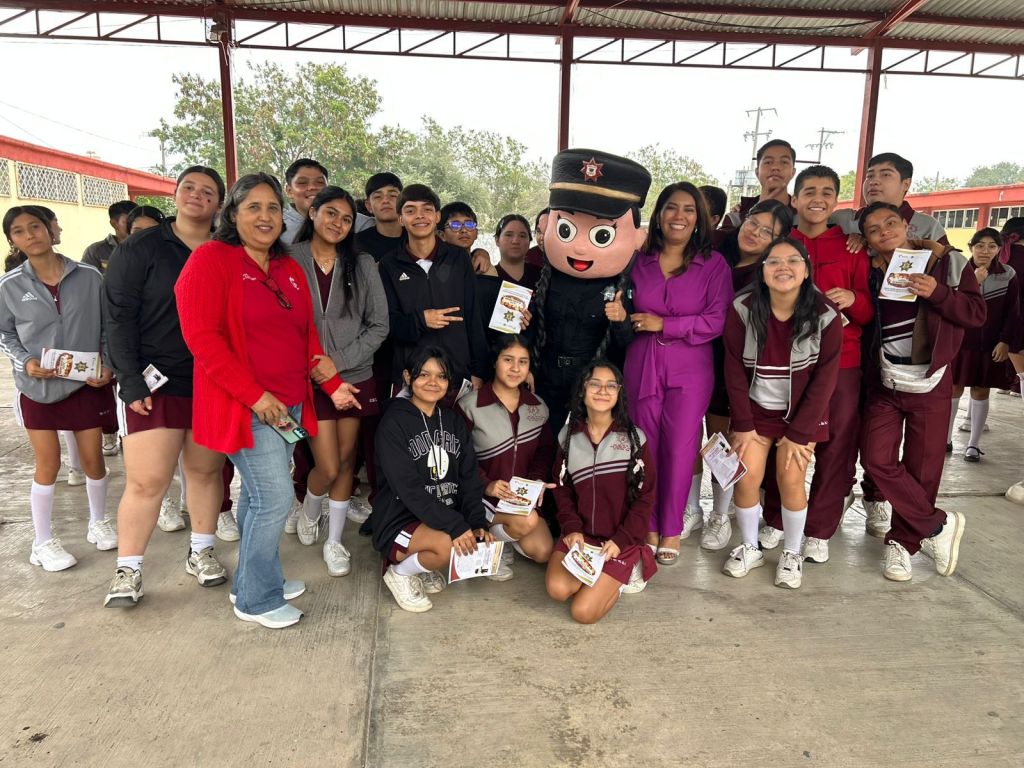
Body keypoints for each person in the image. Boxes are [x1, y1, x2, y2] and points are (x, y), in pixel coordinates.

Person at [175, 172, 359, 629]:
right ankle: (256, 599)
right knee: (275, 499)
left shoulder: (286, 266)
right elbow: (203, 339)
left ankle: (255, 579)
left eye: (273, 208)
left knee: (259, 497)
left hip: (289, 404)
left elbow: (305, 334)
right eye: (253, 207)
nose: (265, 216)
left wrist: (331, 383)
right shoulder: (211, 259)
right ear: (232, 213)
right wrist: (255, 396)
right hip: (249, 407)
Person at [101, 166, 232, 607]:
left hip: (211, 382)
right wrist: (129, 378)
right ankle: (128, 569)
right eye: (188, 188)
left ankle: (202, 552)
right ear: (175, 195)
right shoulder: (141, 248)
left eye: (208, 191)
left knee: (205, 472)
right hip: (153, 383)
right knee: (147, 481)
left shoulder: (227, 249)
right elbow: (117, 318)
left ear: (219, 203)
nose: (197, 195)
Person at [858, 201, 982, 582]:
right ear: (866, 240)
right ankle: (936, 525)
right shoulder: (869, 269)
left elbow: (976, 313)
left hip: (930, 379)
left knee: (923, 468)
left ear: (906, 224)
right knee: (875, 458)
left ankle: (902, 543)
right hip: (886, 380)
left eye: (890, 223)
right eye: (873, 229)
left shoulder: (947, 262)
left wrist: (938, 292)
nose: (884, 232)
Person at [608, 182, 732, 565]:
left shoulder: (713, 265)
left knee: (680, 449)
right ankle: (648, 523)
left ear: (699, 219)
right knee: (645, 446)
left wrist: (665, 324)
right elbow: (620, 303)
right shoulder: (637, 261)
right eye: (671, 208)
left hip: (690, 367)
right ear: (659, 215)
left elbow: (716, 320)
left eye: (688, 209)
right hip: (642, 362)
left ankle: (672, 528)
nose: (679, 216)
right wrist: (621, 316)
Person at [757, 166, 873, 565]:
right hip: (787, 363)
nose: (817, 199)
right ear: (795, 199)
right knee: (782, 438)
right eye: (809, 191)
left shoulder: (851, 247)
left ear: (837, 201)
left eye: (826, 192)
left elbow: (868, 311)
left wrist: (853, 300)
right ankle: (776, 516)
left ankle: (820, 528)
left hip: (843, 361)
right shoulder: (781, 245)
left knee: (836, 445)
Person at [721, 237, 842, 589]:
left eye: (792, 261)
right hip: (755, 412)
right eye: (773, 261)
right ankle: (750, 546)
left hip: (800, 415)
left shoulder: (826, 315)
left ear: (806, 271)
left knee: (790, 479)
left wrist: (799, 434)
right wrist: (743, 424)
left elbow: (825, 379)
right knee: (745, 478)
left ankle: (791, 552)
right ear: (762, 271)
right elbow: (733, 367)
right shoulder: (743, 307)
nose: (782, 267)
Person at [0, 205, 115, 571]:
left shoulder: (90, 276)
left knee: (93, 459)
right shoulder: (10, 285)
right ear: (12, 241)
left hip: (85, 384)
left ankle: (98, 522)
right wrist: (26, 362)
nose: (30, 235)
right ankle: (42, 541)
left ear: (51, 229)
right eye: (19, 231)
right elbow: (5, 334)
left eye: (35, 226)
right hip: (37, 388)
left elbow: (107, 326)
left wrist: (107, 364)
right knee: (48, 463)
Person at [290, 186, 388, 575]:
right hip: (307, 378)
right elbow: (280, 323)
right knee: (327, 465)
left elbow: (379, 325)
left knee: (347, 461)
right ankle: (310, 508)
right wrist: (317, 366)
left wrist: (338, 362)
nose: (338, 223)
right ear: (312, 212)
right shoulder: (289, 259)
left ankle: (334, 541)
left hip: (354, 375)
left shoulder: (361, 264)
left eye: (347, 219)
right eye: (331, 213)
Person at [530, 149, 651, 434]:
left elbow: (626, 343)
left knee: (588, 443)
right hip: (546, 375)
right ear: (546, 226)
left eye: (601, 235)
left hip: (594, 381)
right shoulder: (543, 275)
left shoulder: (624, 284)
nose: (581, 247)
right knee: (543, 440)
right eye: (567, 230)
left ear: (637, 238)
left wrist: (621, 319)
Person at [699, 199, 793, 551]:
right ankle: (697, 507)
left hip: (738, 364)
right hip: (698, 355)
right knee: (706, 437)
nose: (755, 233)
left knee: (727, 441)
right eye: (753, 223)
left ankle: (720, 513)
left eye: (767, 232)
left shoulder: (767, 275)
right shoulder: (715, 252)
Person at [371, 346, 492, 613]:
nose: (433, 382)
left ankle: (421, 564)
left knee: (466, 541)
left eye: (441, 376)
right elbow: (408, 488)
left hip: (439, 514)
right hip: (399, 517)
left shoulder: (453, 421)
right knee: (447, 546)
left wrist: (476, 522)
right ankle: (399, 573)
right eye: (423, 374)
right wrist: (456, 526)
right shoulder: (393, 423)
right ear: (408, 377)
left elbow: (469, 476)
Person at [546, 361, 656, 623]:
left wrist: (621, 540)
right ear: (582, 390)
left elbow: (645, 498)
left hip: (618, 541)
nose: (603, 391)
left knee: (583, 613)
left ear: (619, 393)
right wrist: (572, 528)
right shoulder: (568, 437)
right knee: (558, 590)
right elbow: (561, 489)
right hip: (581, 538)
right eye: (595, 384)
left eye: (611, 386)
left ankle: (624, 572)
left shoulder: (634, 439)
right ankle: (598, 578)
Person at [457, 335, 555, 579]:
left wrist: (535, 481)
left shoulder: (537, 406)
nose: (515, 368)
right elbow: (458, 456)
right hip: (480, 496)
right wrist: (486, 484)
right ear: (495, 362)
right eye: (508, 360)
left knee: (543, 551)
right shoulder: (469, 405)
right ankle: (488, 545)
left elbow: (544, 451)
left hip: (518, 500)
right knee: (527, 521)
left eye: (523, 361)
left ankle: (503, 536)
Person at [378, 183, 488, 395]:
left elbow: (474, 317)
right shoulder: (389, 264)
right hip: (412, 376)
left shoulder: (459, 258)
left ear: (437, 217)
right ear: (400, 219)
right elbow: (386, 324)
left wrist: (478, 371)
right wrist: (421, 320)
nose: (420, 216)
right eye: (410, 210)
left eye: (427, 209)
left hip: (457, 374)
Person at [948, 228, 1016, 461]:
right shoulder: (957, 271)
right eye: (980, 245)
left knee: (980, 390)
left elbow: (1013, 312)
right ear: (971, 248)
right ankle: (945, 440)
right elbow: (950, 305)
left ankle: (973, 445)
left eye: (991, 246)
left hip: (990, 345)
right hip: (960, 342)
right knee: (953, 388)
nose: (985, 251)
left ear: (999, 249)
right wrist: (974, 282)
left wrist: (1005, 341)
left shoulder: (1008, 274)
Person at [832, 152, 949, 245]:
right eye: (869, 176)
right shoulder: (841, 220)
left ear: (906, 184)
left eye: (886, 175)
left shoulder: (927, 226)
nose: (873, 181)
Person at [720, 139, 797, 230]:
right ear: (757, 172)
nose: (775, 167)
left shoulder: (803, 216)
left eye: (784, 162)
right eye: (768, 162)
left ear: (793, 172)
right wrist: (756, 211)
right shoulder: (736, 217)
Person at [354, 172, 404, 262]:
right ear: (369, 206)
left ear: (403, 202)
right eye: (377, 197)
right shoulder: (356, 244)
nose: (385, 200)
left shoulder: (415, 237)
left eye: (393, 195)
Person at [280, 158, 328, 245]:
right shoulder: (276, 226)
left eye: (320, 182)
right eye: (302, 183)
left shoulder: (345, 223)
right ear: (289, 191)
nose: (312, 187)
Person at [438, 201, 491, 275]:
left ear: (476, 233)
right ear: (442, 235)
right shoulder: (434, 267)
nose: (464, 230)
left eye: (469, 224)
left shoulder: (484, 267)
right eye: (455, 225)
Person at [82, 200, 136, 272]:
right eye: (128, 222)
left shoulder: (147, 249)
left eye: (136, 221)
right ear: (114, 224)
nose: (134, 226)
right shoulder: (95, 251)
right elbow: (86, 277)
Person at [493, 214, 542, 290]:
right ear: (497, 240)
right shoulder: (489, 276)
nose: (515, 241)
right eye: (509, 235)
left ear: (529, 241)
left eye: (522, 236)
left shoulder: (542, 276)